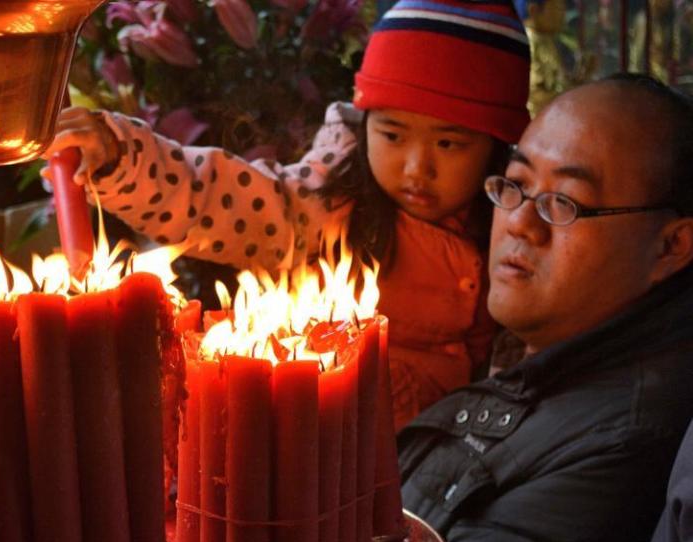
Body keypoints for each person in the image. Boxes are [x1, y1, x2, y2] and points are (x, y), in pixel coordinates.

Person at [47, 0, 532, 427]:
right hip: (332, 462)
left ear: (496, 147)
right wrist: (123, 157)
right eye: (392, 135)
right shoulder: (329, 207)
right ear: (364, 128)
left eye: (448, 143)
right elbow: (219, 198)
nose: (415, 167)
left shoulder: (520, 225)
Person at [397, 74, 693, 542]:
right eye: (515, 185)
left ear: (671, 247)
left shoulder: (623, 445)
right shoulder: (521, 352)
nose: (520, 223)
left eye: (565, 203)